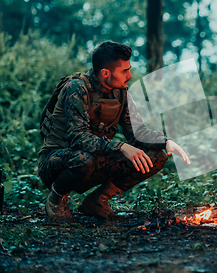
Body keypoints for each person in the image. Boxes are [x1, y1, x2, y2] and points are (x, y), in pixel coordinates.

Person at [38, 41, 190, 223]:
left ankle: (97, 201)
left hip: (94, 158)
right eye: (124, 71)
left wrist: (166, 142)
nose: (130, 75)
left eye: (129, 69)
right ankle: (56, 199)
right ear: (105, 73)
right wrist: (120, 147)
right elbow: (78, 138)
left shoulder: (121, 93)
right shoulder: (76, 89)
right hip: (57, 163)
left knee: (156, 156)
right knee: (84, 159)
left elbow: (137, 132)